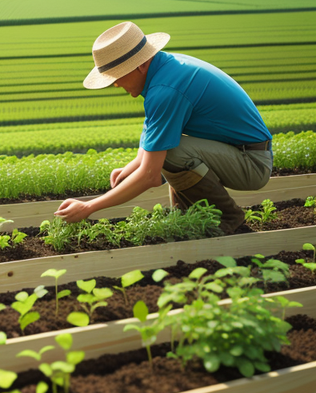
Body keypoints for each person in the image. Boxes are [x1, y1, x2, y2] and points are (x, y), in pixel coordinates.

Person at [55, 21, 273, 234]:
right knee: (167, 150)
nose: (115, 83)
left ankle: (225, 218)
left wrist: (89, 207)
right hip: (238, 152)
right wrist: (130, 168)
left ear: (140, 65)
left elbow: (150, 174)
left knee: (171, 152)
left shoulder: (165, 90)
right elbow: (152, 137)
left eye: (118, 74)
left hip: (251, 163)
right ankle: (187, 218)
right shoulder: (166, 69)